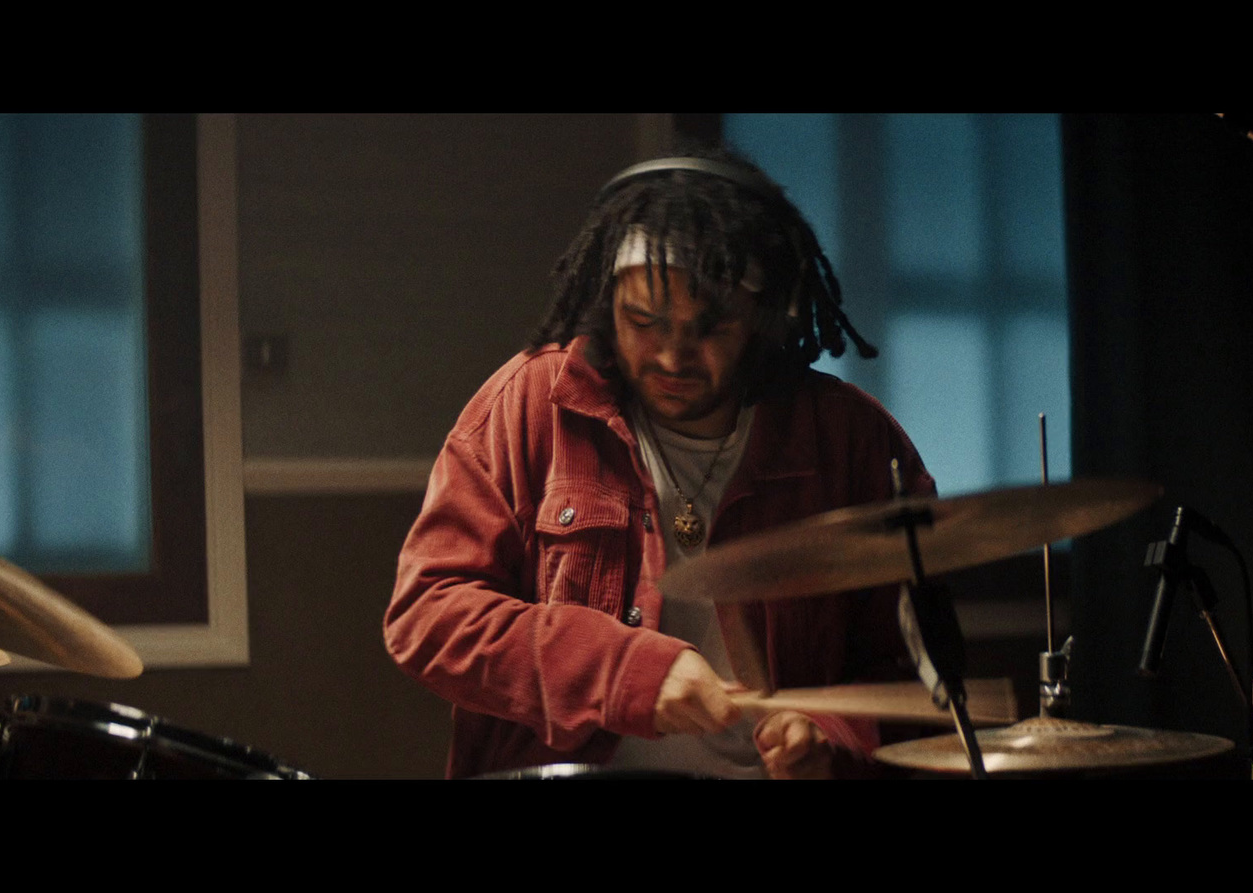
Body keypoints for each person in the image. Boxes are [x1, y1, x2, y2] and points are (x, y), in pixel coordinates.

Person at [384, 147, 934, 779]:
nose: (673, 356)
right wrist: (623, 672)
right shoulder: (532, 403)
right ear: (606, 299)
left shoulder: (850, 439)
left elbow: (907, 670)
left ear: (763, 317)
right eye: (643, 320)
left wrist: (831, 738)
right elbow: (428, 613)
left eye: (711, 328)